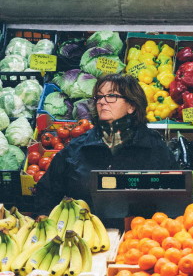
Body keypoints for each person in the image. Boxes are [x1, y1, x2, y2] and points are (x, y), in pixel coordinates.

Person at [35, 73, 178, 214]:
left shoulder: (154, 148)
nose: (102, 101)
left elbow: (174, 198)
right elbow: (46, 192)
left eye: (111, 96)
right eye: (99, 96)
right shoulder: (78, 148)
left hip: (140, 233)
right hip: (87, 232)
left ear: (131, 106)